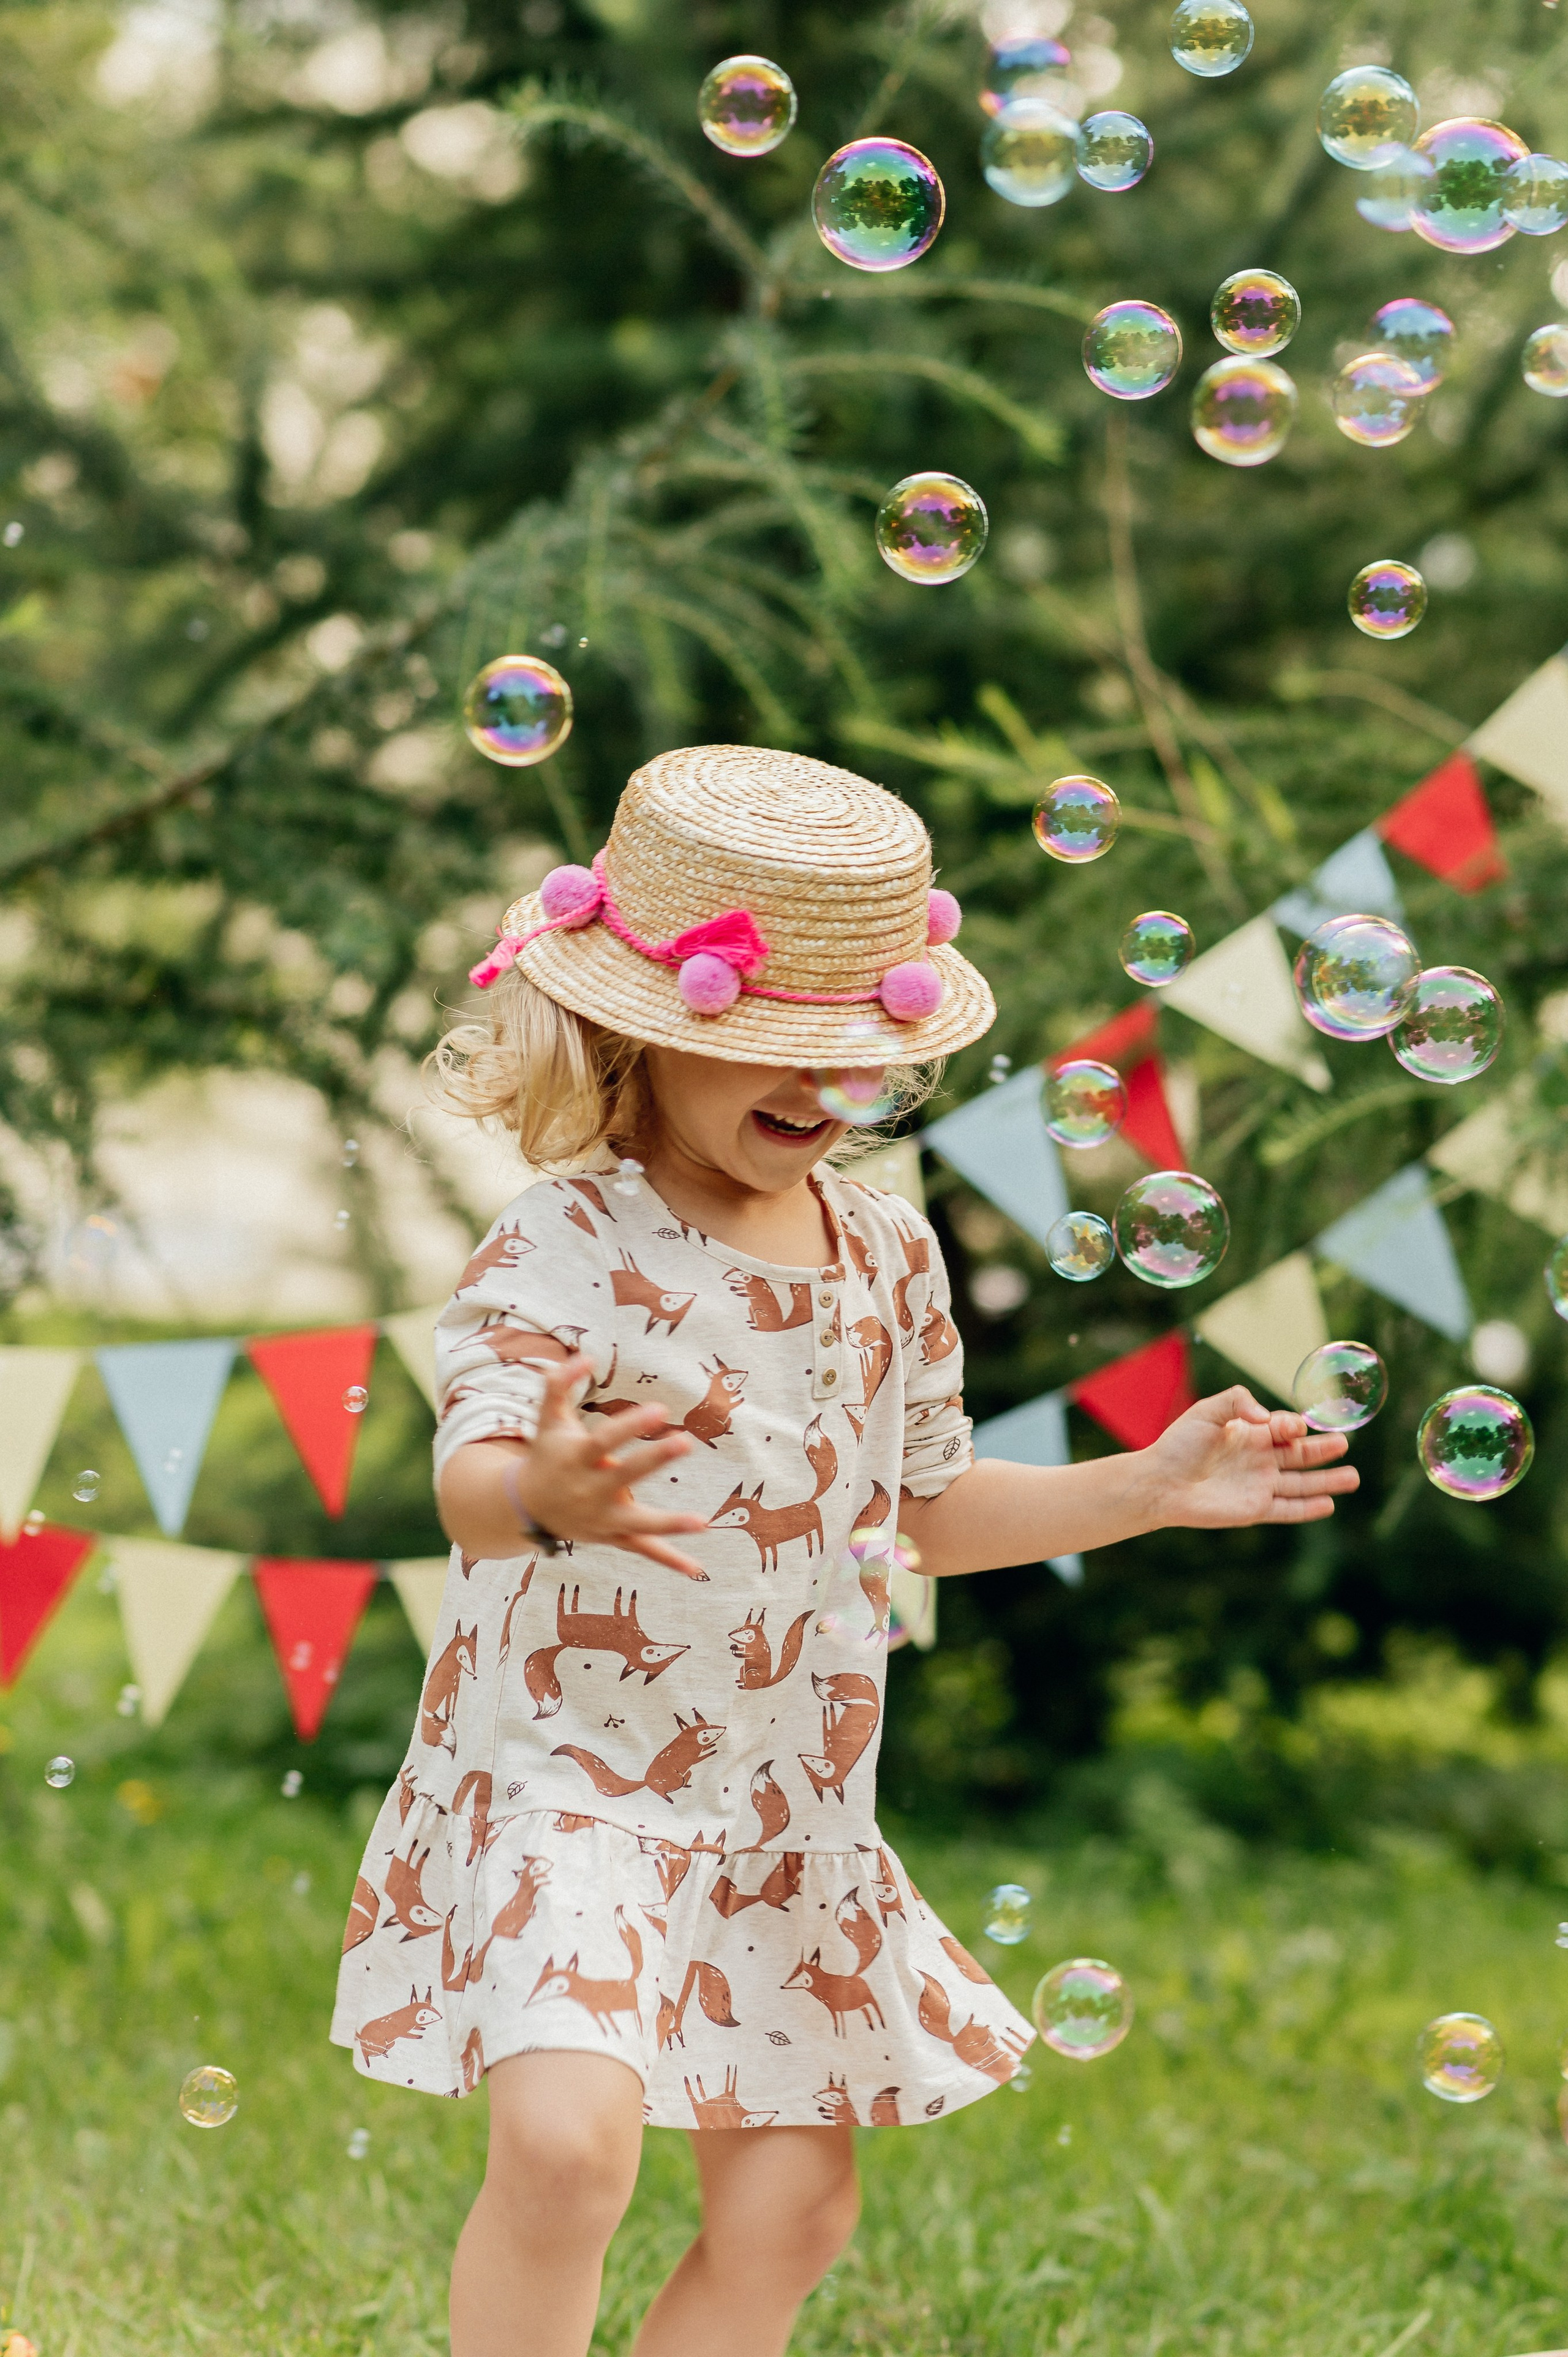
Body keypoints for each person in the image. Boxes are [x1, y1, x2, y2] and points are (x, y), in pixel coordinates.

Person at [330, 743, 1357, 2357]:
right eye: (766, 1044)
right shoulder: (570, 1240)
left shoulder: (886, 1246)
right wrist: (549, 1491)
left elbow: (926, 1509)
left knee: (797, 2211)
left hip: (786, 1800)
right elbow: (468, 1484)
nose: (818, 1087)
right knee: (563, 2148)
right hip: (576, 1784)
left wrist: (1145, 1486)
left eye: (854, 1049)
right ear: (645, 1034)